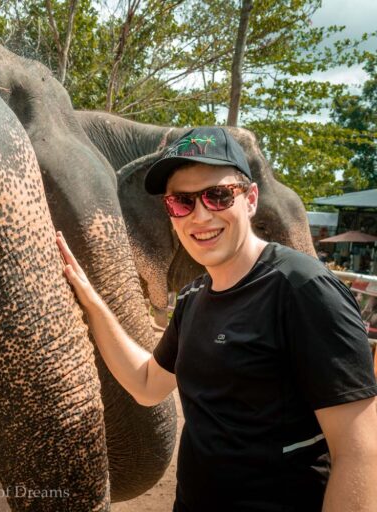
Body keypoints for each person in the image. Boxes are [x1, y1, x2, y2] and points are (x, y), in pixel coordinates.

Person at [56, 127, 377, 512]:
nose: (201, 215)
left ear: (251, 199)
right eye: (182, 202)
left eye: (218, 195)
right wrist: (92, 302)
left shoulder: (303, 290)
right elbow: (145, 385)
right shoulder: (194, 299)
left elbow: (359, 452)